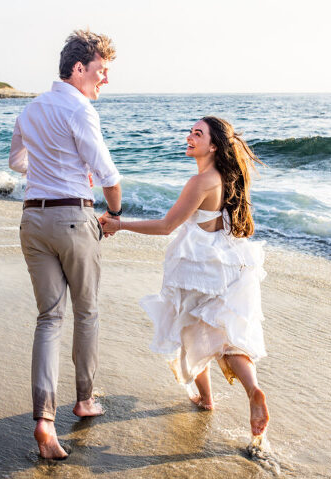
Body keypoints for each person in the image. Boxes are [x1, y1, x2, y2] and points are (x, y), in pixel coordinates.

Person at [100, 116, 270, 438]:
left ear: (214, 145)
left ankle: (207, 399)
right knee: (226, 337)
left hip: (200, 268)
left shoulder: (200, 181)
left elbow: (167, 226)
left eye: (198, 134)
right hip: (228, 262)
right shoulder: (225, 177)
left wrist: (120, 225)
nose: (189, 137)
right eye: (190, 132)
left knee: (190, 332)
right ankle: (252, 390)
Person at [9, 29, 122, 460]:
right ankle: (85, 399)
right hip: (73, 218)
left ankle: (44, 419)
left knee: (49, 319)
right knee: (86, 311)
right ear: (79, 68)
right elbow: (108, 174)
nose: (105, 79)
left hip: (33, 220)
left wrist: (50, 167)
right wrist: (115, 212)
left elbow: (17, 160)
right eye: (101, 70)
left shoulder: (31, 108)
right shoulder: (80, 109)